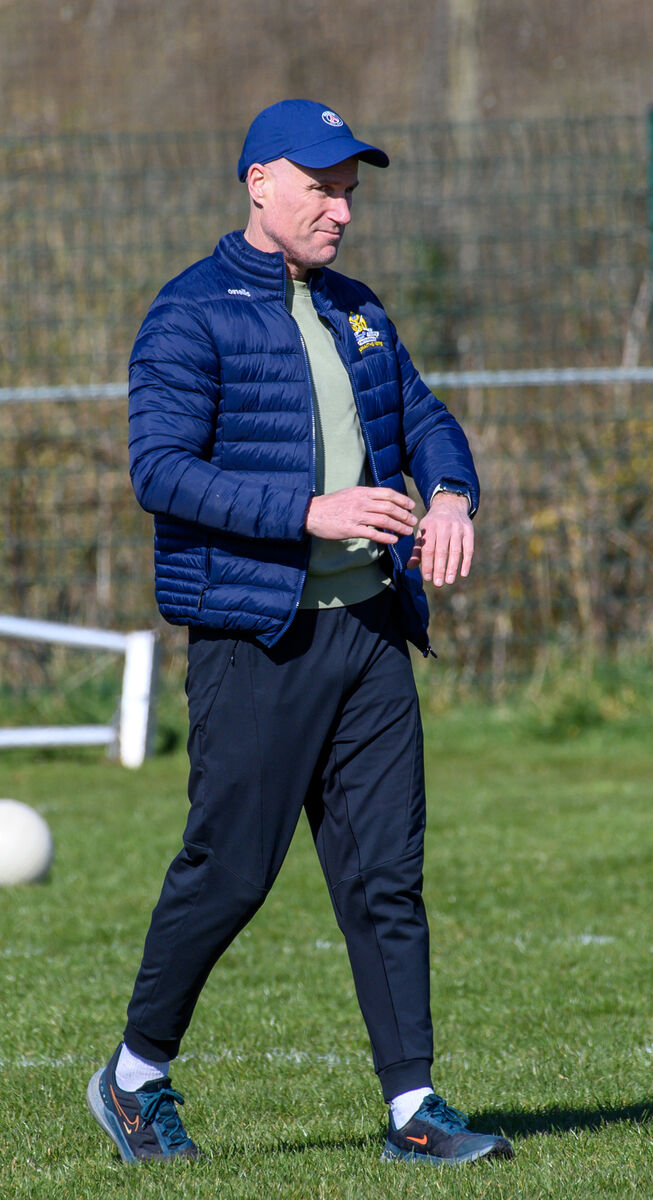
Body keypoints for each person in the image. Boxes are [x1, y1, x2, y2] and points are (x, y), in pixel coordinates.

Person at [87, 98, 514, 1168]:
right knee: (229, 873)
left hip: (368, 635)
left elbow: (422, 417)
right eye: (321, 188)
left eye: (349, 192)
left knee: (386, 875)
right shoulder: (190, 314)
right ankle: (134, 1079)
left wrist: (451, 494)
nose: (341, 211)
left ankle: (413, 1110)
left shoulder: (358, 309)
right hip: (253, 640)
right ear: (258, 181)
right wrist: (309, 511)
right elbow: (160, 472)